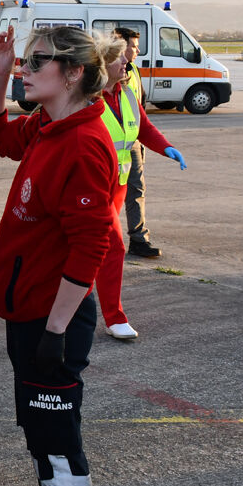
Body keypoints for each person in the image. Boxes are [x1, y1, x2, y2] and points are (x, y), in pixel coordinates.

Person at [0, 24, 117, 486]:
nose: (27, 69)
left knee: (59, 446)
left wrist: (56, 332)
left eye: (38, 62)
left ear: (75, 73)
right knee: (41, 441)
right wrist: (1, 73)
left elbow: (93, 246)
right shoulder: (47, 124)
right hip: (32, 317)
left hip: (53, 323)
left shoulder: (85, 143)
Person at [96, 29, 187, 340]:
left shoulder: (127, 94)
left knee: (87, 250)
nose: (127, 62)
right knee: (113, 247)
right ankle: (113, 316)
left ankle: (63, 307)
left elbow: (143, 127)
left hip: (117, 186)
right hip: (91, 188)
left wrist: (166, 148)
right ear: (103, 64)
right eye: (121, 57)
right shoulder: (87, 100)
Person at [118, 26, 165, 258]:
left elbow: (140, 109)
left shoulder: (134, 70)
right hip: (112, 146)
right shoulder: (106, 73)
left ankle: (138, 239)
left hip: (133, 143)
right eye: (133, 46)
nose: (137, 51)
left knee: (136, 190)